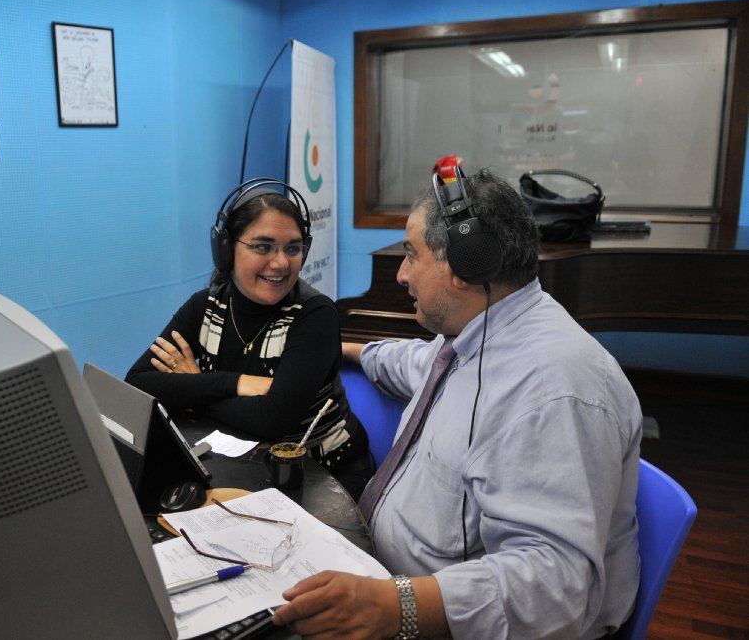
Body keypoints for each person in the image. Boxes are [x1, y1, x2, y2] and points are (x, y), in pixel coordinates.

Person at [271, 167, 642, 639]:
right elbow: (415, 363)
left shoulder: (553, 389)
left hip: (444, 621)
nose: (402, 274)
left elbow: (554, 586)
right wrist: (346, 350)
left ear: (466, 266)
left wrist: (394, 606)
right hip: (392, 587)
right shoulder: (475, 335)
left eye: (411, 255)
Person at [125, 179, 372, 498]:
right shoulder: (205, 306)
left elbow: (273, 420)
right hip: (242, 464)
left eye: (292, 248)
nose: (281, 262)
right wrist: (234, 383)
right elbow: (138, 383)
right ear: (226, 250)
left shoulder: (314, 315)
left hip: (325, 476)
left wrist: (194, 386)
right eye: (263, 247)